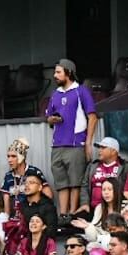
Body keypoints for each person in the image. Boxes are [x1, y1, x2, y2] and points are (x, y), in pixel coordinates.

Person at [45, 59, 98, 217]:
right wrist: (51, 120)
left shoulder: (81, 91)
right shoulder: (55, 94)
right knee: (61, 183)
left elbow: (93, 117)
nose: (55, 76)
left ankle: (73, 214)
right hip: (57, 144)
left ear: (68, 72)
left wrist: (88, 142)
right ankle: (63, 214)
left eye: (58, 72)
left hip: (75, 143)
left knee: (75, 181)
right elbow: (48, 116)